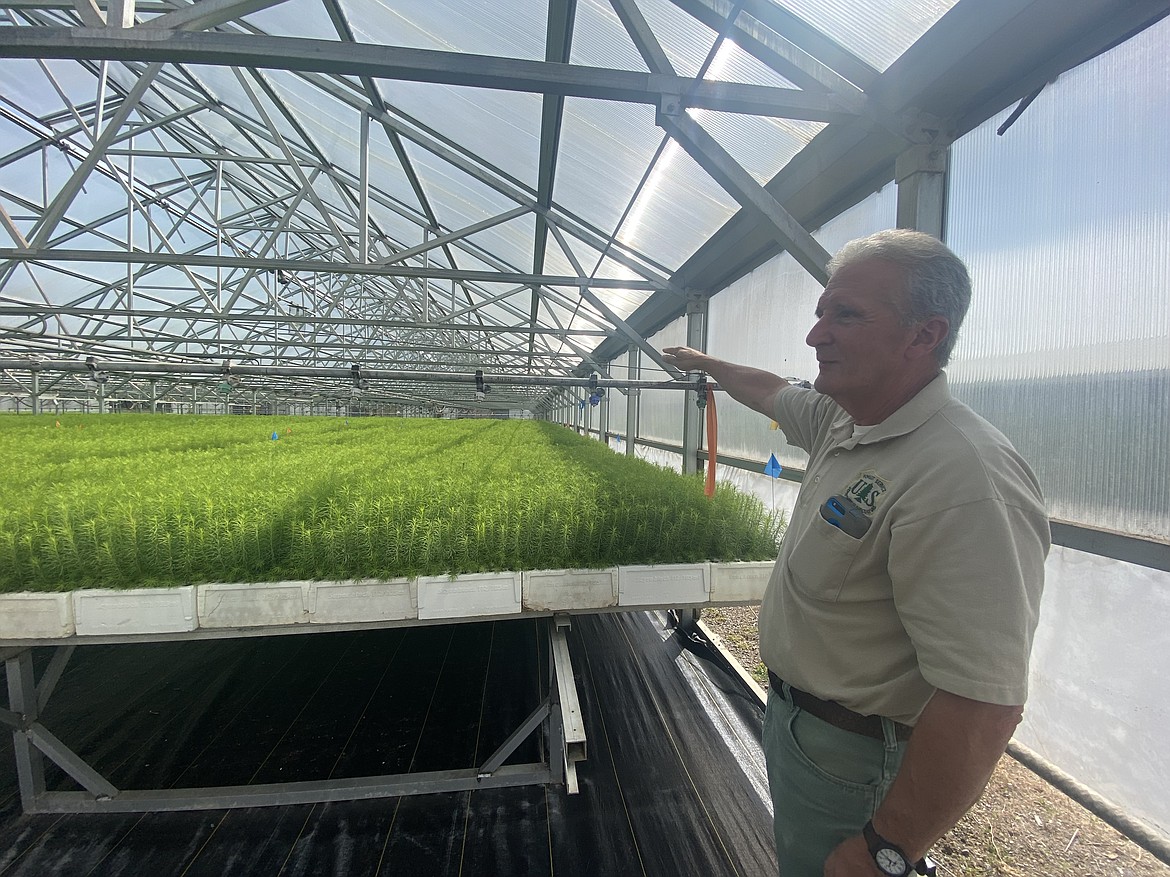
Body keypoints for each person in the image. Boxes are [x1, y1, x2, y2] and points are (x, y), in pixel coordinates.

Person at [662, 229, 1049, 877]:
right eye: (819, 313)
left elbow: (985, 700)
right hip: (796, 724)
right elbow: (764, 387)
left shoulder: (962, 476)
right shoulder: (843, 419)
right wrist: (707, 363)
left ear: (923, 336)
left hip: (856, 763)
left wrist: (886, 847)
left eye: (845, 315)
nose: (816, 335)